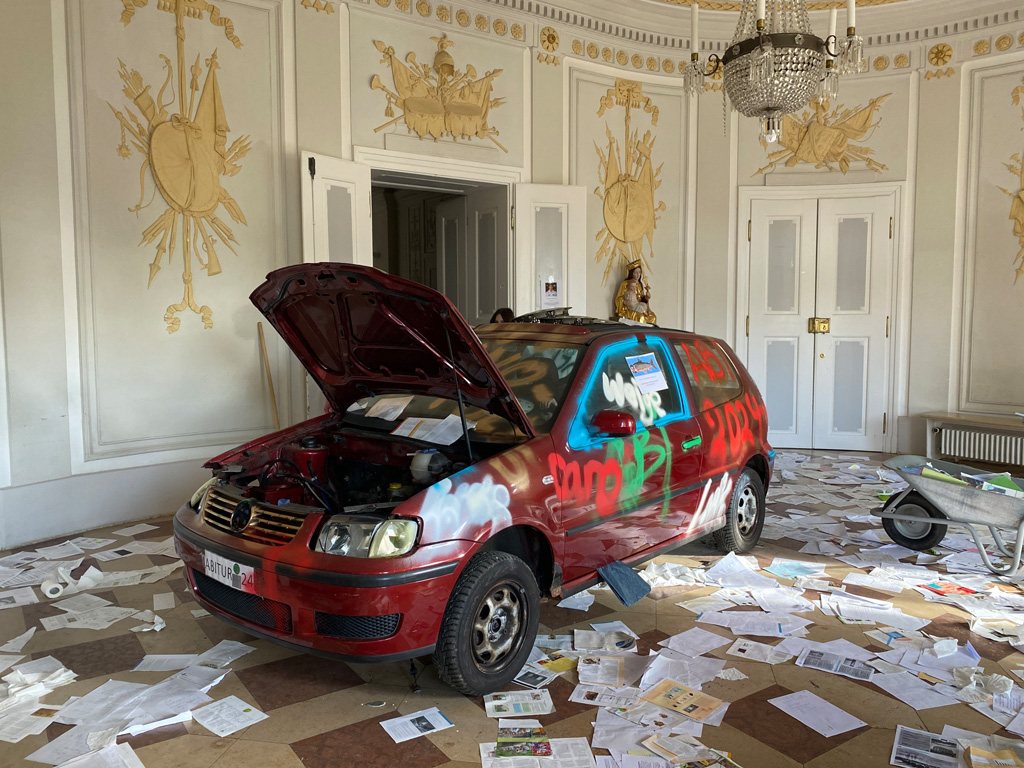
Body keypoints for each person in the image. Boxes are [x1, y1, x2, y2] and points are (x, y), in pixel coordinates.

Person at [614, 260, 657, 324]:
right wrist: (625, 302)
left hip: (639, 306)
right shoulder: (625, 283)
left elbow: (641, 299)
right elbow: (618, 298)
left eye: (639, 272)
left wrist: (646, 297)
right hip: (630, 308)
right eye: (635, 273)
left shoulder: (640, 284)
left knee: (653, 317)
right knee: (641, 317)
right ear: (631, 273)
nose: (638, 275)